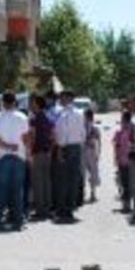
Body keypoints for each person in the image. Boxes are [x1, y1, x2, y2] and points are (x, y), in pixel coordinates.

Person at [0, 92, 30, 231]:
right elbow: (25, 138)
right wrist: (28, 154)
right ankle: (18, 221)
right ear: (15, 102)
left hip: (2, 156)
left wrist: (5, 147)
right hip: (19, 156)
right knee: (17, 190)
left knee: (1, 190)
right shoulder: (22, 117)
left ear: (2, 102)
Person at [52, 91, 86, 222]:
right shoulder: (80, 113)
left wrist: (60, 149)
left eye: (62, 97)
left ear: (67, 99)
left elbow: (61, 133)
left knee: (62, 180)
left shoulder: (63, 114)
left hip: (66, 148)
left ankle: (62, 210)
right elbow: (83, 133)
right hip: (77, 147)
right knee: (73, 180)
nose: (60, 99)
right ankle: (70, 208)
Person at [29, 95, 54, 219]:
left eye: (33, 103)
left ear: (38, 104)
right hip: (48, 152)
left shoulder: (35, 119)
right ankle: (48, 208)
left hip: (38, 152)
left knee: (38, 182)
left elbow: (33, 137)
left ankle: (40, 210)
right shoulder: (49, 117)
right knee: (46, 181)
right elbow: (53, 135)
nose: (31, 105)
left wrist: (30, 152)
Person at [112, 111, 133, 213]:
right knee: (126, 183)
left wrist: (115, 158)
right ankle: (127, 204)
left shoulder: (121, 132)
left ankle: (126, 205)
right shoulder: (130, 132)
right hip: (129, 161)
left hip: (124, 161)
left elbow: (116, 146)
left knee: (124, 183)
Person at [83, 109, 102, 203]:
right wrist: (99, 153)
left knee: (90, 173)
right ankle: (91, 193)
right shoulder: (94, 127)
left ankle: (92, 193)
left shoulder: (92, 127)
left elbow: (99, 141)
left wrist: (98, 153)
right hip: (90, 151)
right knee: (92, 173)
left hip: (88, 151)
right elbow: (99, 142)